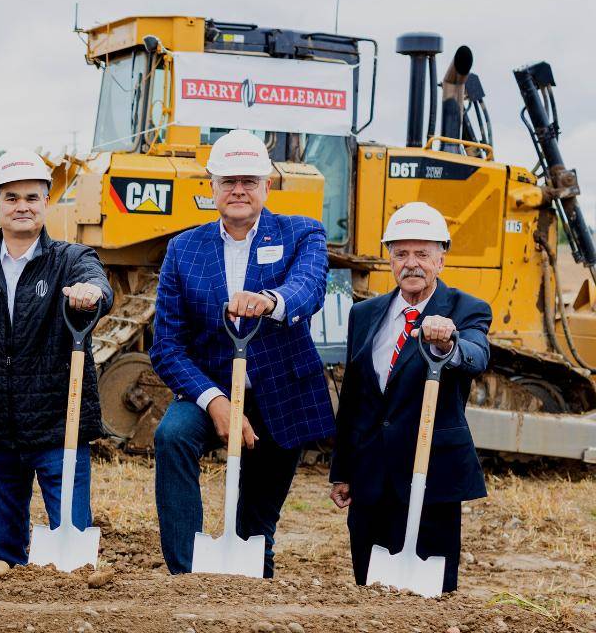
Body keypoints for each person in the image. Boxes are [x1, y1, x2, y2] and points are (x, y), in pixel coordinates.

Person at [148, 129, 334, 577]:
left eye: (249, 181)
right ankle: (186, 570)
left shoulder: (301, 233)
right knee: (172, 436)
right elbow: (167, 346)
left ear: (267, 186)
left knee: (254, 529)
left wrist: (270, 300)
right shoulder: (183, 249)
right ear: (211, 188)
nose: (238, 190)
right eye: (228, 181)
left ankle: (252, 582)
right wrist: (216, 403)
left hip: (281, 394)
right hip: (209, 387)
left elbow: (308, 288)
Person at [0, 149, 112, 565]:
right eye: (11, 197)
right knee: (1, 557)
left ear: (46, 203)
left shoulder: (71, 260)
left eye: (31, 198)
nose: (22, 207)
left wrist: (92, 295)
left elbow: (100, 288)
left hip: (58, 431)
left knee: (72, 560)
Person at [330, 201, 490, 593]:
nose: (411, 263)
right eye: (401, 253)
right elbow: (354, 394)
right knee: (370, 590)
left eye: (422, 253)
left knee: (431, 598)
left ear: (441, 258)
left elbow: (476, 355)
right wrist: (342, 469)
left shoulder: (465, 309)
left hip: (431, 475)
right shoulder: (365, 313)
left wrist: (449, 341)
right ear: (389, 258)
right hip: (371, 476)